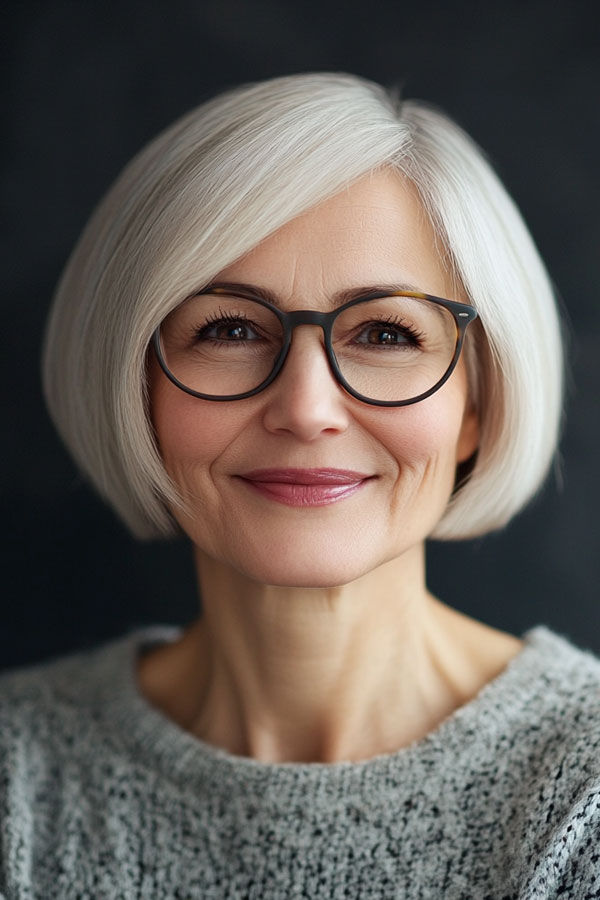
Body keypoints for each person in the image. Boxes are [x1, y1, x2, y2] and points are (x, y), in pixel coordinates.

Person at [1, 72, 599, 899]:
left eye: (387, 333)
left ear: (477, 405)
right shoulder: (15, 771)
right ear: (133, 391)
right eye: (230, 329)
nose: (307, 408)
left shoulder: (585, 791)